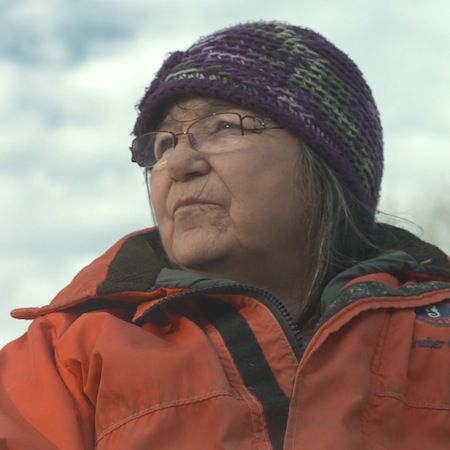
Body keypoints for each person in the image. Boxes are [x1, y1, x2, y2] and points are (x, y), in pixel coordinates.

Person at [1, 20, 449, 450]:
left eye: (223, 127)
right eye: (163, 145)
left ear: (327, 165)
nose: (177, 166)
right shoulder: (60, 358)